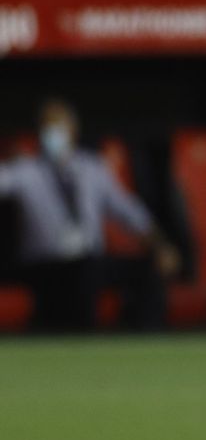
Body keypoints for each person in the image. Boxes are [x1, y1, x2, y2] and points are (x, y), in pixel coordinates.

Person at [0, 98, 179, 330]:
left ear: (73, 130)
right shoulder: (26, 170)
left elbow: (128, 211)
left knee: (145, 270)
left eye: (58, 126)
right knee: (84, 274)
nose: (52, 133)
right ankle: (84, 338)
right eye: (47, 127)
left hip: (90, 260)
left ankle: (146, 342)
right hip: (46, 265)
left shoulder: (92, 168)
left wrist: (159, 243)